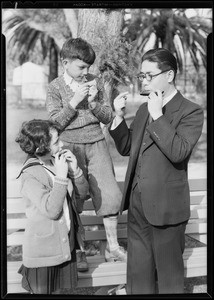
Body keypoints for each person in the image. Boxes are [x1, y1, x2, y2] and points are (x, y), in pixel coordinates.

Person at [109, 48, 204, 294]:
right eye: (142, 76)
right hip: (137, 202)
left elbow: (179, 151)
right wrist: (118, 118)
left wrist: (157, 115)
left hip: (166, 206)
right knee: (138, 274)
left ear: (169, 75)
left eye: (150, 75)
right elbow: (129, 147)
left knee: (169, 278)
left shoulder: (190, 111)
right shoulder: (143, 109)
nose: (144, 81)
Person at [46, 37, 127, 268]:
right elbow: (54, 124)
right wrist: (73, 102)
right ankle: (79, 250)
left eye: (88, 67)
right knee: (75, 196)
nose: (86, 71)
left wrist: (92, 103)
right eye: (81, 66)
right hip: (69, 146)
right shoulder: (54, 87)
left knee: (110, 195)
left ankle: (113, 247)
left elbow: (108, 117)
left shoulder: (95, 81)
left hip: (97, 144)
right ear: (65, 63)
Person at [15, 119, 89, 294]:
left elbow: (78, 202)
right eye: (56, 142)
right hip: (44, 256)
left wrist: (76, 171)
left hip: (64, 249)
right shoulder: (30, 175)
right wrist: (62, 177)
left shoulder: (56, 163)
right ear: (41, 147)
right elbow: (52, 210)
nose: (62, 144)